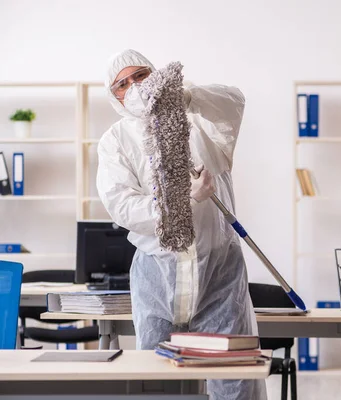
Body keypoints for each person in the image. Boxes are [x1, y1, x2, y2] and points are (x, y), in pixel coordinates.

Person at [96, 49, 267, 400]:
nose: (134, 86)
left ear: (155, 74)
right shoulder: (116, 140)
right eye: (121, 84)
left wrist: (187, 96)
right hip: (157, 275)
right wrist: (183, 202)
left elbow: (233, 101)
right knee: (156, 381)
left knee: (231, 381)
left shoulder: (196, 117)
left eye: (141, 75)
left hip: (217, 271)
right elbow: (122, 206)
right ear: (113, 96)